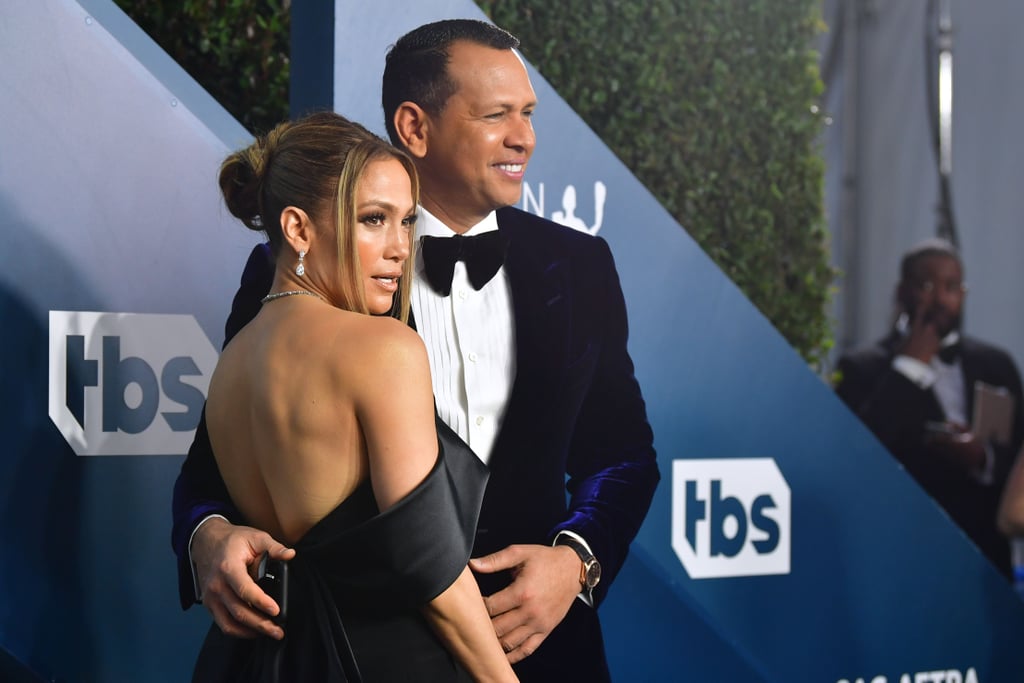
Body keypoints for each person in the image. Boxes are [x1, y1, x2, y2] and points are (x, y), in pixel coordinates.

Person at [172, 19, 660, 681]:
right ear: (414, 127)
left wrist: (576, 560)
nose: (525, 137)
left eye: (528, 113)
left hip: (545, 647)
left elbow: (623, 454)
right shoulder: (303, 270)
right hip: (375, 647)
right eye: (496, 115)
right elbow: (216, 467)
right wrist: (208, 536)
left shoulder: (579, 265)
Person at [189, 111, 517, 681]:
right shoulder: (383, 348)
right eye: (373, 220)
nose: (399, 249)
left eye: (407, 222)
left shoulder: (231, 366)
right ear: (298, 230)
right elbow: (432, 570)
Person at [834, 237, 1024, 578]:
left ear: (963, 294)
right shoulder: (861, 368)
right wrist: (908, 368)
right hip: (902, 557)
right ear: (901, 292)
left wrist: (982, 457)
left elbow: (1017, 454)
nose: (940, 298)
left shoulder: (997, 365)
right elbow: (857, 454)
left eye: (951, 286)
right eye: (927, 284)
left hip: (985, 560)